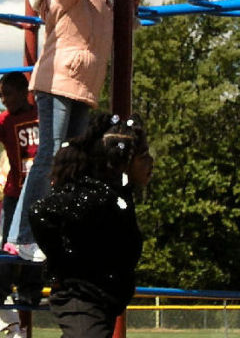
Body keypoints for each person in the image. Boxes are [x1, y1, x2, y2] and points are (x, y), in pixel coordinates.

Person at [6, 0, 140, 263]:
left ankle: (57, 230)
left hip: (83, 87)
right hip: (58, 80)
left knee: (72, 163)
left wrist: (131, 2)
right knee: (49, 155)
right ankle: (19, 236)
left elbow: (122, 30)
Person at [29, 112, 153, 338]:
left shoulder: (117, 195)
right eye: (143, 155)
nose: (150, 162)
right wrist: (61, 260)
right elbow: (40, 212)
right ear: (124, 161)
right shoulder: (97, 196)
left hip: (99, 302)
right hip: (82, 301)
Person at [0, 73, 42, 338]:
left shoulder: (41, 115)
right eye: (1, 96)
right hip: (16, 193)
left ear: (23, 91)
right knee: (8, 244)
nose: (4, 100)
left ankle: (30, 290)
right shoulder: (5, 121)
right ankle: (1, 289)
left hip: (38, 193)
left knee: (37, 246)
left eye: (8, 94)